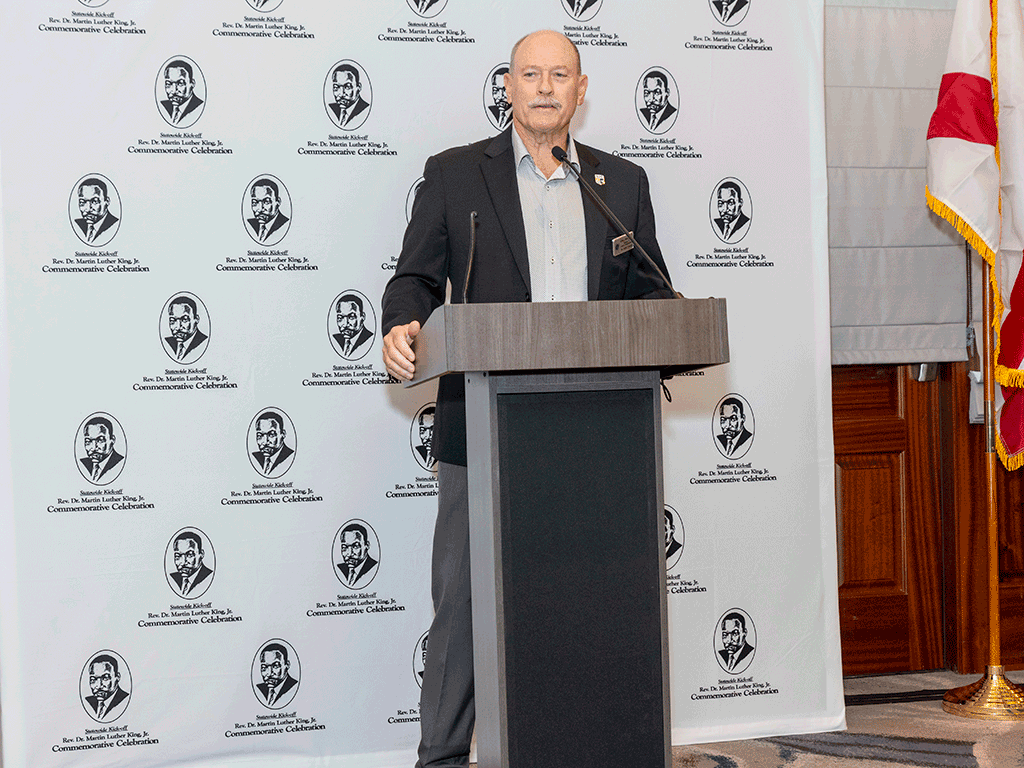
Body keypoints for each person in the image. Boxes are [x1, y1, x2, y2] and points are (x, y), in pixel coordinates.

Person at [381, 29, 674, 768]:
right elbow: (413, 278)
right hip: (480, 430)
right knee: (465, 607)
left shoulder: (623, 184)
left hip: (599, 435)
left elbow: (654, 293)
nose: (545, 87)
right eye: (530, 74)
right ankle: (442, 758)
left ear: (581, 90)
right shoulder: (454, 175)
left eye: (560, 75)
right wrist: (402, 322)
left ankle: (588, 744)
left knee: (591, 601)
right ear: (507, 87)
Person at [85, 654, 130, 722]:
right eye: (93, 680)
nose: (99, 686)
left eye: (105, 678)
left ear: (117, 677)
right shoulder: (88, 702)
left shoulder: (125, 700)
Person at [164, 295, 208, 363]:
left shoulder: (204, 343)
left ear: (196, 319)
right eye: (173, 321)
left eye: (184, 320)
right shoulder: (167, 343)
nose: (178, 327)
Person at [80, 416, 124, 484]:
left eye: (100, 440)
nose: (94, 448)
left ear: (112, 440)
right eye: (88, 441)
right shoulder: (83, 464)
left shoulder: (120, 463)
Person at [74, 178, 119, 245]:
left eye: (94, 201)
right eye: (82, 202)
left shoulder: (114, 225)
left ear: (107, 202)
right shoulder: (77, 225)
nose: (88, 209)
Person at [169, 531, 214, 598]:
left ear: (201, 554)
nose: (183, 562)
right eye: (178, 556)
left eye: (189, 555)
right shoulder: (172, 578)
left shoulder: (209, 577)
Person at [251, 411, 294, 477]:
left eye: (271, 435)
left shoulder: (290, 457)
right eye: (260, 436)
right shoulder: (254, 458)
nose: (265, 442)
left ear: (283, 434)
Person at [336, 522, 379, 589]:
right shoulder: (339, 569)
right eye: (344, 547)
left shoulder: (373, 568)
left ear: (367, 545)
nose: (349, 554)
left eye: (355, 547)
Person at [160, 60, 203, 126]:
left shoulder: (199, 107)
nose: (174, 91)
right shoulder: (163, 107)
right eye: (168, 84)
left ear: (192, 84)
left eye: (180, 83)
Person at [247, 179, 290, 245]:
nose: (260, 209)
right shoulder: (250, 225)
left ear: (278, 202)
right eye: (255, 203)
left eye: (266, 202)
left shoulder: (285, 225)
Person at [256, 642, 299, 708]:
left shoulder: (294, 687)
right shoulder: (259, 689)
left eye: (275, 666)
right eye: (264, 667)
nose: (269, 673)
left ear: (287, 665)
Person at [333, 293, 374, 360]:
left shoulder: (369, 339)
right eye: (340, 318)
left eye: (351, 317)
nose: (345, 324)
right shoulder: (335, 340)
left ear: (362, 317)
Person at [329, 64, 370, 128]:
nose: (341, 94)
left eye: (347, 87)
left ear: (358, 87)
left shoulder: (365, 110)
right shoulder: (331, 109)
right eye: (336, 88)